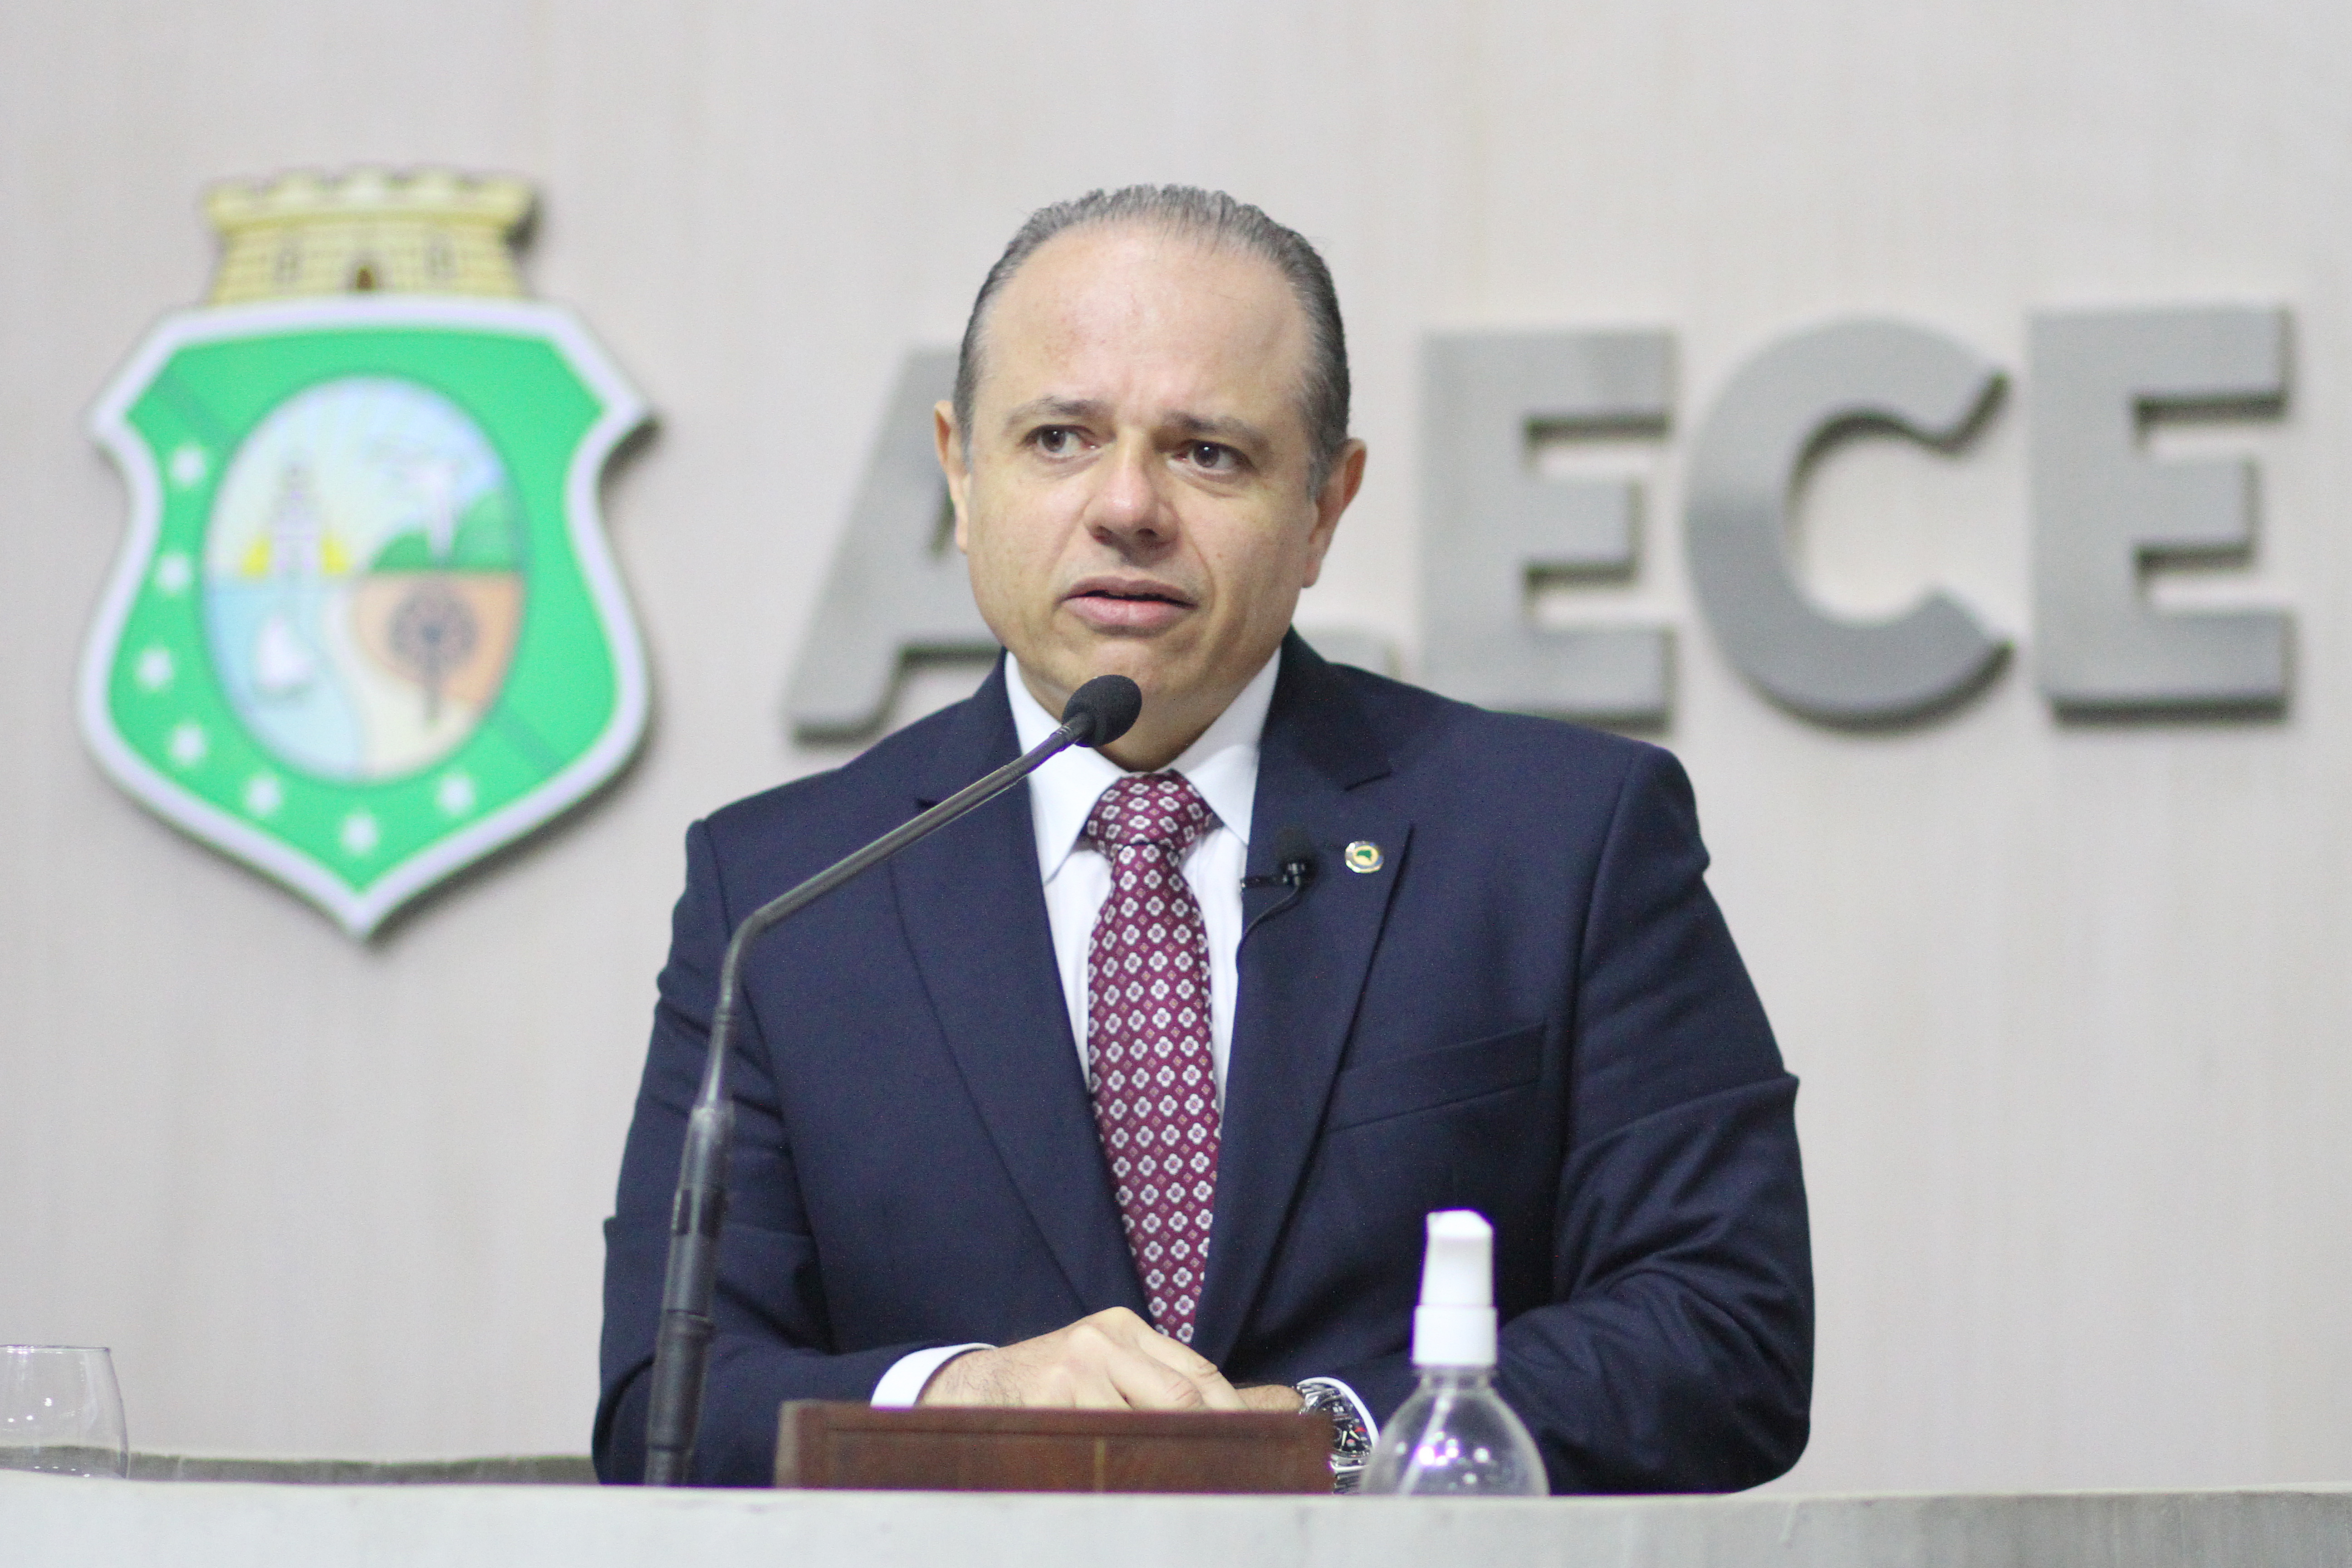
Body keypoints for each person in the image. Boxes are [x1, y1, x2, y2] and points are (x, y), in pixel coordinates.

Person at [596, 186, 1811, 1490]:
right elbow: (668, 1403)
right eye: (1059, 438)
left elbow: (1723, 1328)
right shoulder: (782, 898)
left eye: (1208, 453)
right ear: (959, 471)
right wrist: (965, 1396)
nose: (1128, 506)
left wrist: (1329, 1438)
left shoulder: (1560, 841)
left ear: (1325, 506)